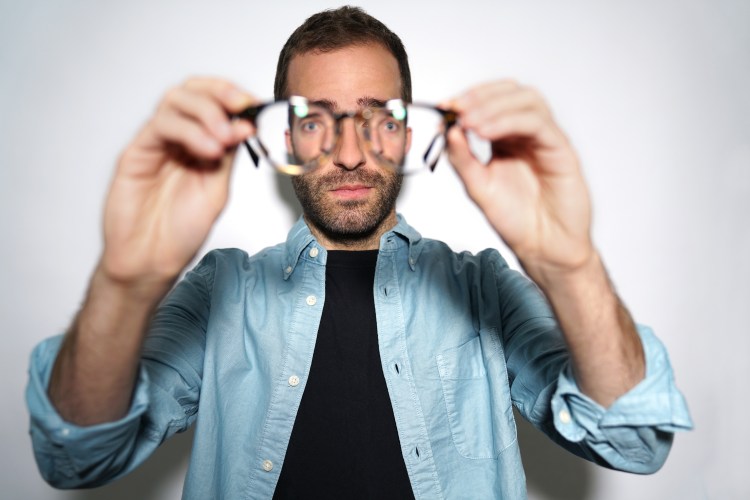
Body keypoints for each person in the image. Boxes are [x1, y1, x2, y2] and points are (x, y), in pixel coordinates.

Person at [26, 6, 692, 499]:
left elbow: (633, 441)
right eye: (317, 120)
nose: (349, 153)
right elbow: (76, 456)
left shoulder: (483, 290)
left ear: (407, 135)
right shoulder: (221, 291)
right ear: (286, 138)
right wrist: (124, 282)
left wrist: (570, 265)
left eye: (379, 119)